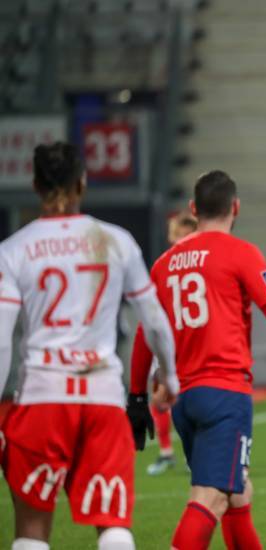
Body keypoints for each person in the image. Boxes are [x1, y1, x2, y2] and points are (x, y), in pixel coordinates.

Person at [129, 170, 266, 550]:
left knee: (238, 493)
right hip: (224, 396)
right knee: (210, 496)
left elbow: (144, 333)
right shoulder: (241, 253)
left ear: (194, 209)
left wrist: (135, 397)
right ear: (236, 207)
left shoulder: (164, 265)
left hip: (185, 400)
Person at [0, 142, 178, 550]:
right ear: (82, 183)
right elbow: (152, 318)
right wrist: (170, 375)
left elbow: (1, 337)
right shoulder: (116, 240)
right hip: (102, 398)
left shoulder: (13, 250)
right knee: (113, 524)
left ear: (34, 185)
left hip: (43, 396)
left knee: (31, 529)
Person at [146, 212, 197, 476]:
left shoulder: (166, 266)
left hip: (186, 343)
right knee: (161, 399)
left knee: (181, 399)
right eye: (177, 234)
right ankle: (169, 451)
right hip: (169, 341)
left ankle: (187, 452)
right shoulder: (165, 266)